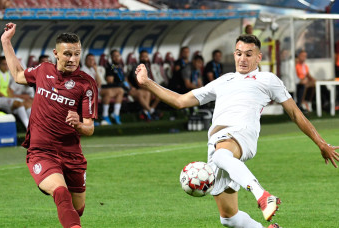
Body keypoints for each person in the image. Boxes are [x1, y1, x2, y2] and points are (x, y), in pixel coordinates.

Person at [135, 34, 339, 228]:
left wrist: (321, 143)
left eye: (249, 54)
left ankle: (262, 195)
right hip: (217, 141)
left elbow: (296, 114)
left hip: (242, 134)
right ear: (234, 54)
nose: (243, 58)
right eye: (239, 53)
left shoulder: (268, 80)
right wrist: (147, 83)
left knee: (221, 154)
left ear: (259, 57)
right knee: (229, 218)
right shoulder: (223, 81)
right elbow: (180, 101)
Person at [1, 22, 98, 228]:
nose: (73, 59)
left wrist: (78, 124)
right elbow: (18, 75)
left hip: (72, 154)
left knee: (77, 208)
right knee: (60, 192)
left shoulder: (86, 84)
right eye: (68, 54)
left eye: (77, 54)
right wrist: (6, 41)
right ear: (56, 53)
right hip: (41, 151)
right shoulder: (43, 70)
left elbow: (89, 128)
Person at [105, 49, 153, 121]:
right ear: (111, 57)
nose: (116, 58)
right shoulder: (111, 67)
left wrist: (131, 87)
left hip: (127, 88)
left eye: (118, 56)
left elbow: (126, 79)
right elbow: (110, 81)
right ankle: (151, 111)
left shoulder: (120, 67)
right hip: (119, 89)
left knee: (147, 93)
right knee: (139, 93)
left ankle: (145, 112)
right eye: (114, 56)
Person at [0, 56, 30, 129]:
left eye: (7, 64)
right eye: (4, 64)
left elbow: (7, 90)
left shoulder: (7, 74)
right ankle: (27, 127)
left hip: (3, 98)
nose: (6, 66)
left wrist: (12, 97)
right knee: (18, 103)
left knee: (27, 103)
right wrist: (9, 98)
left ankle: (34, 126)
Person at [82, 53, 124, 125]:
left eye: (93, 60)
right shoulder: (83, 69)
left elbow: (99, 82)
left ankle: (115, 114)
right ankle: (103, 116)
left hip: (101, 89)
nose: (92, 61)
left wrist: (96, 71)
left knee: (120, 91)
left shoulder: (118, 66)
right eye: (90, 60)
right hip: (91, 91)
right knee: (108, 93)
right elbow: (108, 80)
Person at [128, 50, 161, 120]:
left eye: (146, 57)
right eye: (142, 57)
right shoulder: (137, 68)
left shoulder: (147, 67)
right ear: (139, 58)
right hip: (136, 89)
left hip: (144, 88)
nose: (144, 58)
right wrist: (151, 88)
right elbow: (139, 84)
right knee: (147, 93)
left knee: (159, 94)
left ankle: (146, 111)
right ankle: (151, 112)